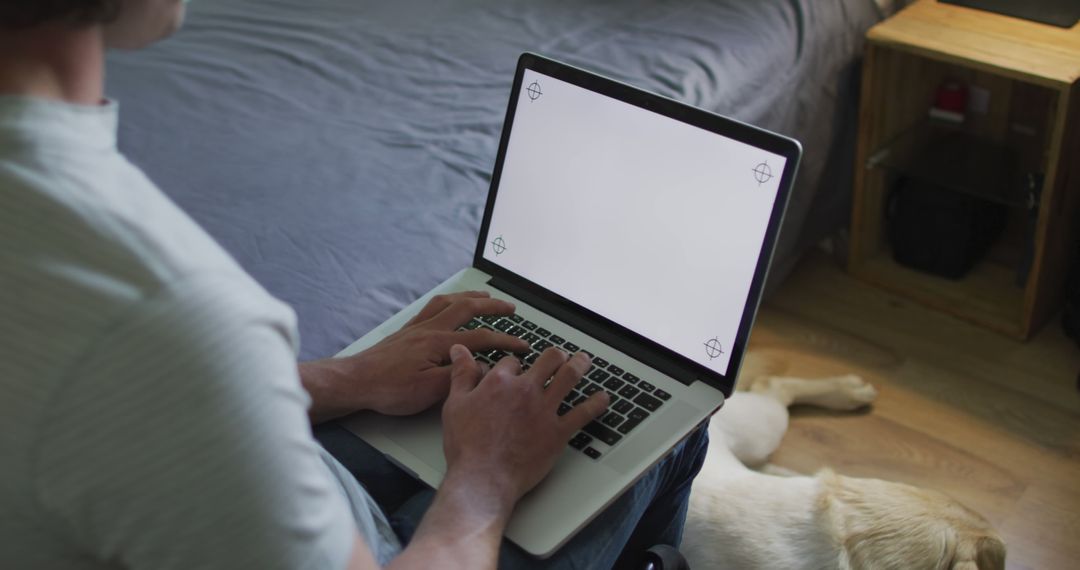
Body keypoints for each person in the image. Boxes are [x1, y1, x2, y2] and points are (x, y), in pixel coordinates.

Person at [0, 1, 708, 568]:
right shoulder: (166, 308)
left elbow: (125, 404)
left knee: (453, 422)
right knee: (665, 431)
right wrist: (485, 481)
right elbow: (152, 368)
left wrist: (348, 377)